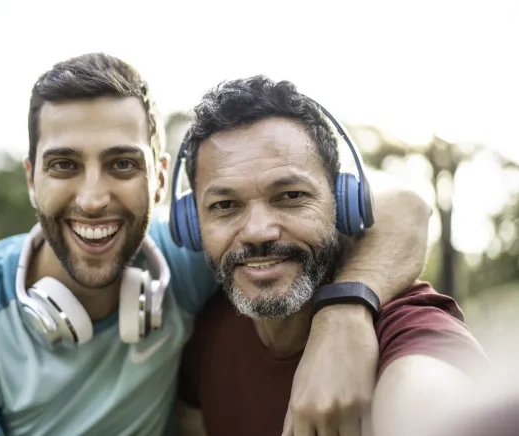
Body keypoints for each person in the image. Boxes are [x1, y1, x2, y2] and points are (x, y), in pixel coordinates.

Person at [0, 53, 431, 436]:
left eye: (121, 164)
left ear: (159, 183)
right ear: (31, 178)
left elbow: (405, 209)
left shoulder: (201, 252)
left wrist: (341, 319)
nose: (91, 198)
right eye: (64, 165)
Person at [175, 76, 489, 436]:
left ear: (342, 203)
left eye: (290, 196)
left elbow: (428, 395)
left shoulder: (406, 327)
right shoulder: (205, 335)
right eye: (225, 205)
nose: (258, 231)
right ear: (192, 225)